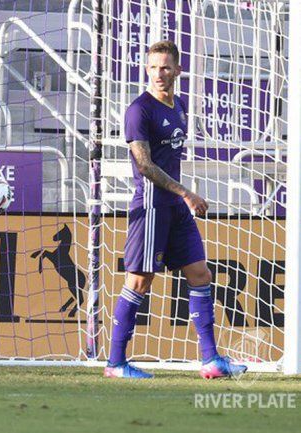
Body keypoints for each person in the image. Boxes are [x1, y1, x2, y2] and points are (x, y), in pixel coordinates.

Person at [104, 41, 246, 379]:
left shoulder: (179, 106)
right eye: (153, 67)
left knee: (200, 274)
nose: (159, 74)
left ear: (178, 70)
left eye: (165, 67)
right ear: (147, 69)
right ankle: (115, 363)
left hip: (176, 209)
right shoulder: (139, 110)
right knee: (139, 281)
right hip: (152, 206)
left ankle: (210, 360)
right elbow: (144, 165)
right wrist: (185, 193)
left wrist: (181, 198)